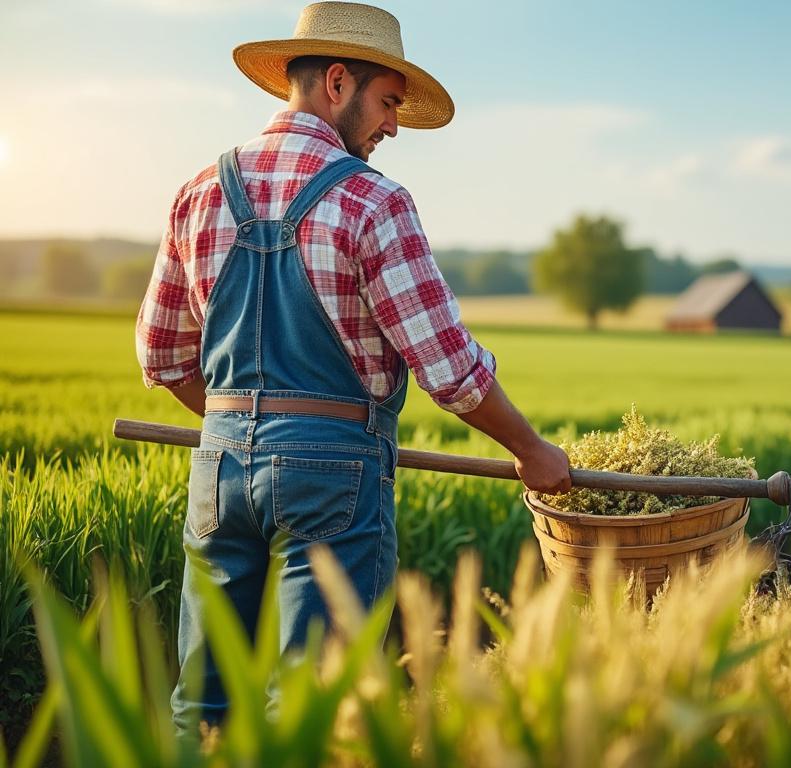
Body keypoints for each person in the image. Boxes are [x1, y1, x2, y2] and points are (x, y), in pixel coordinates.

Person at [133, 1, 571, 732]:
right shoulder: (374, 201)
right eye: (389, 103)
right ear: (338, 83)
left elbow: (162, 355)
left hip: (217, 469)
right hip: (333, 474)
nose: (393, 126)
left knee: (201, 703)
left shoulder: (199, 191)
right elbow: (449, 366)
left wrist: (248, 430)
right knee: (316, 706)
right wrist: (531, 450)